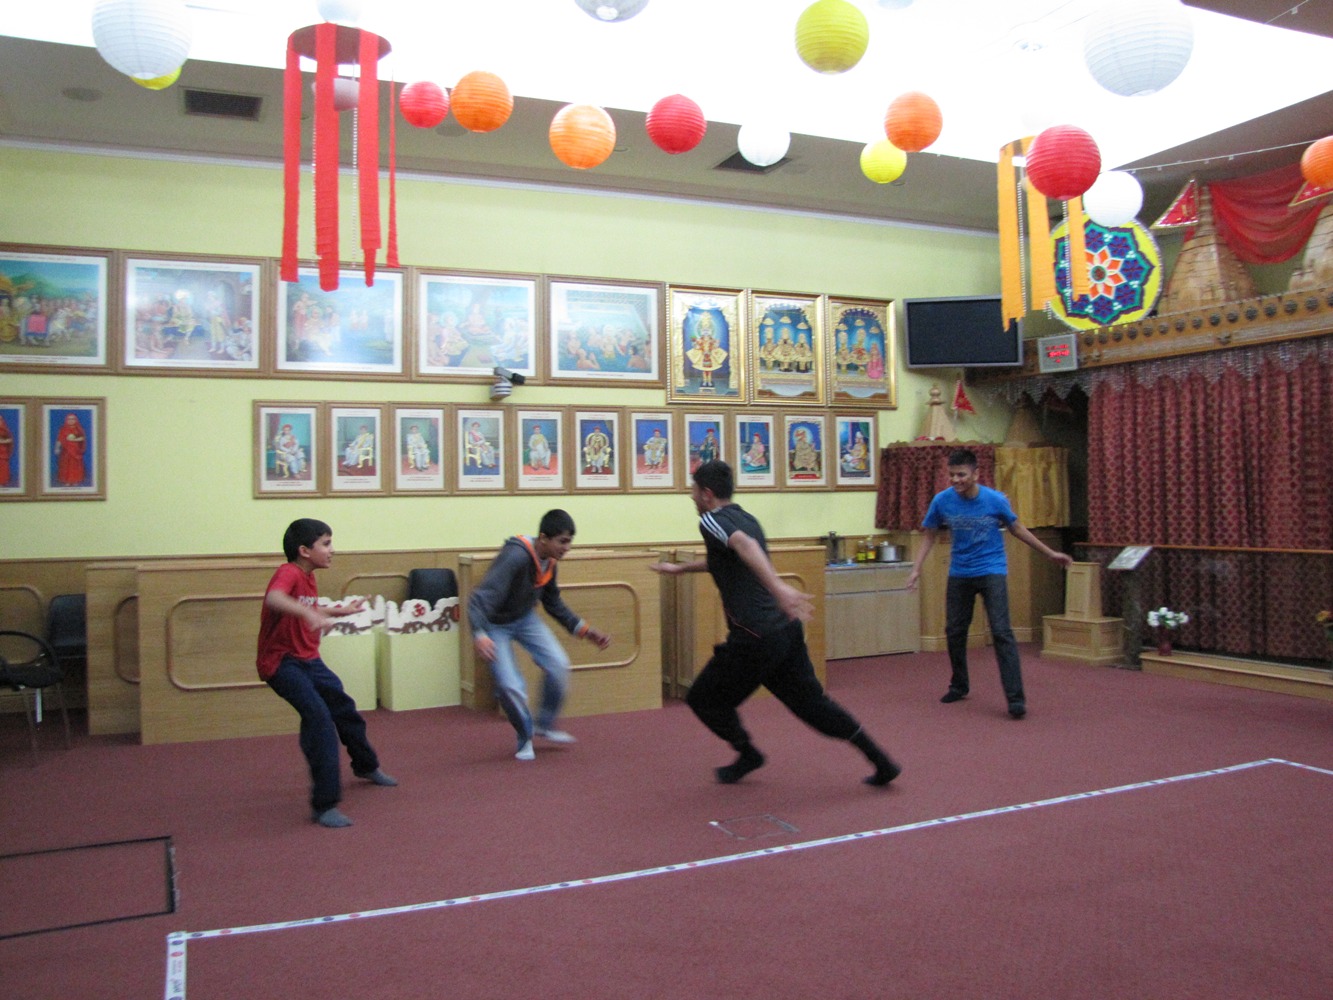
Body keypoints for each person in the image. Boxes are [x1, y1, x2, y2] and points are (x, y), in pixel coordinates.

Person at [649, 460, 901, 786]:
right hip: (784, 630)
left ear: (707, 494)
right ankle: (880, 759)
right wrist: (681, 570)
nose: (692, 498)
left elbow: (745, 546)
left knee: (702, 699)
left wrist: (779, 587)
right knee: (812, 705)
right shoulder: (746, 516)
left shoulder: (711, 519)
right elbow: (728, 559)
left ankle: (748, 753)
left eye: (694, 492)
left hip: (754, 637)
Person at [905, 448, 1074, 719]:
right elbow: (929, 536)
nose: (956, 480)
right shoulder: (942, 501)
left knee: (1001, 632)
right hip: (960, 573)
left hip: (991, 570)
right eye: (952, 475)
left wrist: (1050, 553)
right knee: (954, 631)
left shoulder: (994, 500)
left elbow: (1017, 529)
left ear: (976, 474)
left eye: (962, 475)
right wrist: (916, 569)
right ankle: (959, 685)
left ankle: (1015, 699)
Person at [257, 518, 397, 828]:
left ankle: (365, 765)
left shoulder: (307, 577)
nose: (332, 550)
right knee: (318, 719)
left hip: (309, 660)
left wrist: (337, 611)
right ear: (304, 550)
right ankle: (325, 805)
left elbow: (306, 605)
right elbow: (275, 599)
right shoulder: (288, 572)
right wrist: (309, 613)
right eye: (326, 544)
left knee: (343, 708)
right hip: (281, 664)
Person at [468, 509, 611, 761]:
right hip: (495, 625)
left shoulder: (550, 562)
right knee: (510, 686)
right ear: (543, 538)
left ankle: (544, 723)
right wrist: (479, 633)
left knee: (559, 665)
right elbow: (478, 600)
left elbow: (553, 603)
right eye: (562, 542)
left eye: (569, 542)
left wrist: (585, 630)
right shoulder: (515, 556)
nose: (567, 548)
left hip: (524, 619)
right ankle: (525, 735)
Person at [54, 412, 87, 486]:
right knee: (66, 465)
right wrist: (57, 448)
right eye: (69, 419)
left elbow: (82, 438)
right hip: (65, 451)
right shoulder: (63, 429)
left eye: (73, 419)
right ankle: (67, 481)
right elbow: (59, 439)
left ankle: (75, 480)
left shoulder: (79, 429)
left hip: (76, 451)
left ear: (75, 420)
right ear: (66, 420)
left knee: (75, 466)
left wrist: (74, 440)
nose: (71, 420)